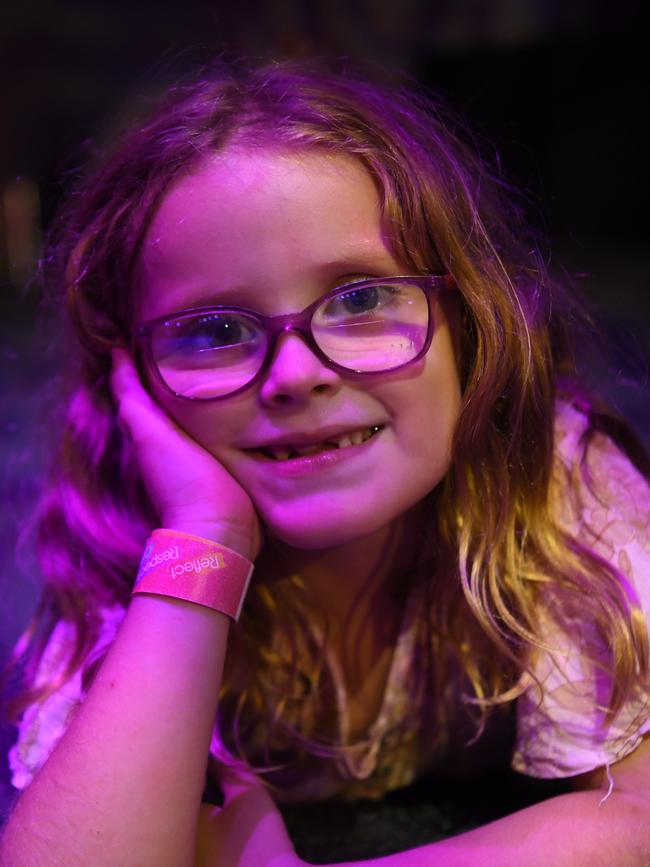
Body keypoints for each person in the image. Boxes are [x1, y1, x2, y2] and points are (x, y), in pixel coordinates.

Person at [1, 58, 649, 866]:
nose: (296, 373)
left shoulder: (550, 476)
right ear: (130, 380)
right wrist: (205, 536)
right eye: (211, 329)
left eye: (361, 298)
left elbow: (636, 818)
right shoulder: (135, 534)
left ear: (471, 320)